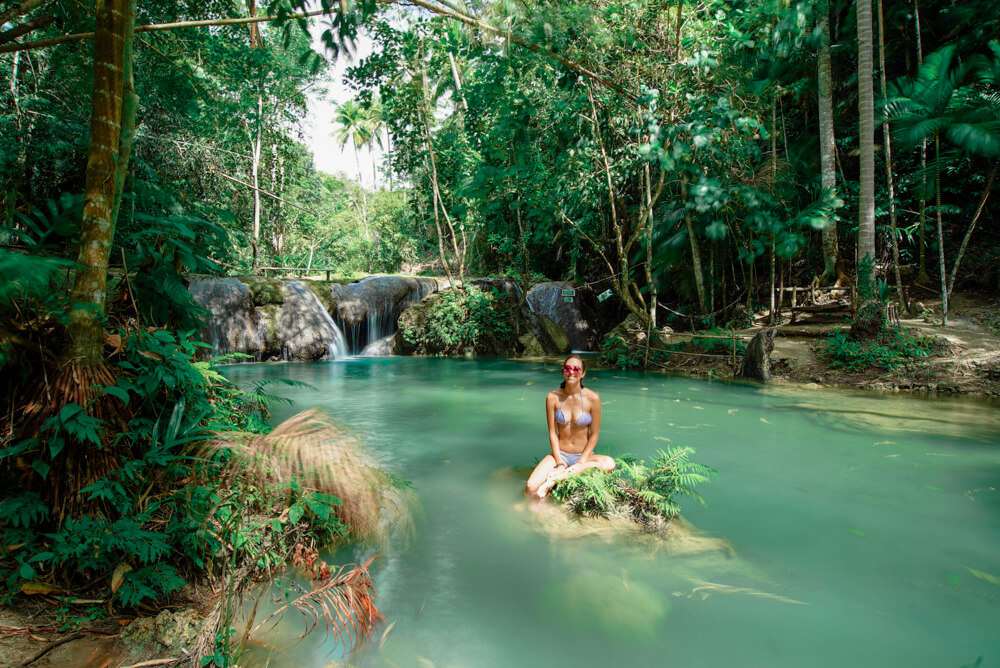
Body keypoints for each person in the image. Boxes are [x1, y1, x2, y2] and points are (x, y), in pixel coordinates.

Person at [526, 355, 615, 498]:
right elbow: (552, 433)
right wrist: (559, 462)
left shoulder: (593, 398)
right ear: (563, 371)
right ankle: (537, 511)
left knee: (609, 463)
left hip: (583, 456)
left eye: (576, 369)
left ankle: (557, 478)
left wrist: (581, 461)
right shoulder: (552, 397)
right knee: (530, 487)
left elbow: (594, 435)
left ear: (583, 373)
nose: (571, 372)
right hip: (560, 454)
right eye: (567, 369)